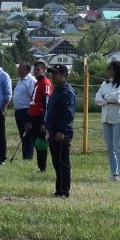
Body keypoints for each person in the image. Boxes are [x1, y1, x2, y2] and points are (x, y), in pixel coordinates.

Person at [41, 63, 77, 195]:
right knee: (57, 162)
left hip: (61, 132)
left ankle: (64, 191)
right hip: (53, 130)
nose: (53, 76)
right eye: (52, 73)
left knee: (62, 163)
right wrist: (46, 124)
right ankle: (59, 189)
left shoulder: (67, 92)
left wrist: (62, 131)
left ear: (64, 75)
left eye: (56, 73)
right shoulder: (57, 90)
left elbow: (69, 114)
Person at [95, 60, 120, 182]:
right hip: (105, 117)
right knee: (110, 147)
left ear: (115, 70)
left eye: (109, 69)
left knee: (118, 146)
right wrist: (107, 100)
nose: (107, 71)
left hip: (118, 118)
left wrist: (106, 98)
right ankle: (114, 174)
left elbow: (119, 97)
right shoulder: (105, 83)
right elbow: (97, 98)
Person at [10, 63, 38, 162]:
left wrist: (30, 116)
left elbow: (33, 98)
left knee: (28, 134)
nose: (17, 70)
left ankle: (28, 157)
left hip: (27, 111)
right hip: (19, 112)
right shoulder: (20, 81)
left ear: (26, 70)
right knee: (23, 135)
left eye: (20, 68)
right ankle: (25, 156)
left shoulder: (31, 81)